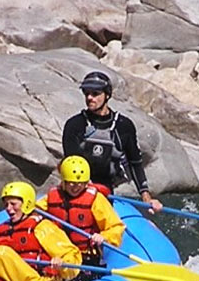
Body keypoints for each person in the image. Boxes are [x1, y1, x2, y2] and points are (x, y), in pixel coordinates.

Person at [61, 70, 163, 214]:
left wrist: (146, 197)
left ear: (107, 95)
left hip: (105, 190)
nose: (90, 98)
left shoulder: (123, 126)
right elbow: (71, 162)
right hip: (76, 191)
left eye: (95, 94)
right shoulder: (74, 125)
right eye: (86, 93)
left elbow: (135, 163)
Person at [0, 180, 80, 281]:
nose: (9, 209)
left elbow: (72, 255)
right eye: (6, 205)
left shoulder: (42, 227)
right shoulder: (4, 231)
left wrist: (62, 263)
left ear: (26, 203)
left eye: (13, 204)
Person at [41, 156, 125, 269]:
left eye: (80, 183)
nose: (76, 187)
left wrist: (103, 237)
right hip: (60, 253)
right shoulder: (52, 197)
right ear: (64, 182)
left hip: (86, 255)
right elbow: (34, 213)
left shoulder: (96, 199)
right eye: (72, 183)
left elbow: (116, 226)